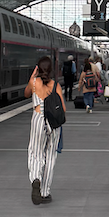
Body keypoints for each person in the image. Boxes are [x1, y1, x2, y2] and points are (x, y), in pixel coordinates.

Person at [25, 56, 65, 204]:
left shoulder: (34, 83)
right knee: (50, 155)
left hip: (37, 118)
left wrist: (33, 76)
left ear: (38, 68)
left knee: (36, 152)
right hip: (53, 122)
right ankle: (45, 192)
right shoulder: (56, 86)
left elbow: (26, 94)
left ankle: (36, 178)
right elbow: (62, 108)